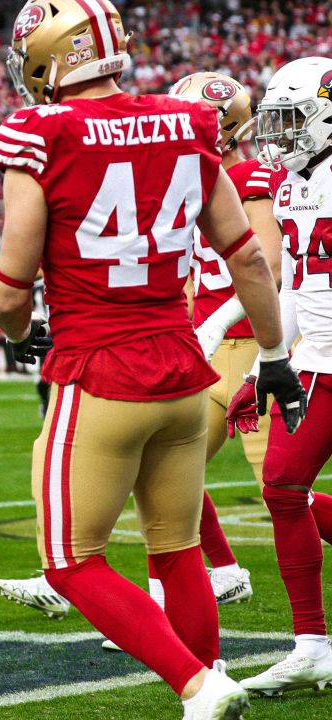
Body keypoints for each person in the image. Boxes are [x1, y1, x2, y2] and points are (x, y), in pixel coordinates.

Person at [0, 2, 306, 717]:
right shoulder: (187, 121)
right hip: (182, 371)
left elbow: (12, 285)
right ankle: (211, 673)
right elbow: (250, 259)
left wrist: (15, 330)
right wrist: (273, 356)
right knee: (178, 549)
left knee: (71, 562)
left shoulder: (39, 131)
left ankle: (199, 685)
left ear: (51, 54)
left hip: (100, 370)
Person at [0, 70, 278, 620]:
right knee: (166, 493)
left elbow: (259, 262)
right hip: (191, 348)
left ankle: (139, 595)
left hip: (227, 345)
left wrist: (240, 334)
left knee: (280, 490)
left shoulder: (242, 175)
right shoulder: (184, 163)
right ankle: (200, 588)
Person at [231, 55, 332, 696]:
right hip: (320, 361)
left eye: (294, 120)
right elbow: (293, 284)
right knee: (281, 484)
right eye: (276, 122)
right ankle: (313, 645)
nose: (281, 135)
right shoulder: (293, 185)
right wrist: (263, 362)